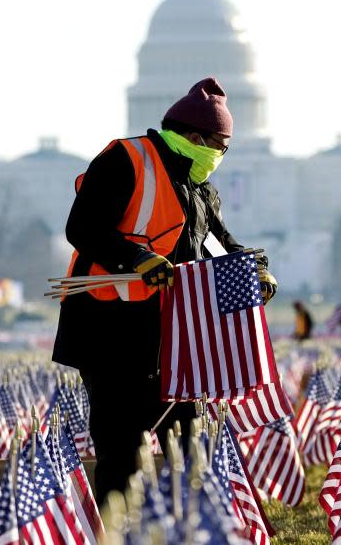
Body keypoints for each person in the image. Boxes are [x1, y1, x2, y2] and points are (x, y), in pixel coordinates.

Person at [51, 77, 278, 502]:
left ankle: (183, 527)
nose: (220, 157)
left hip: (172, 339)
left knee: (189, 443)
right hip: (110, 332)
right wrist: (136, 260)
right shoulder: (126, 159)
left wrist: (257, 271)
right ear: (195, 137)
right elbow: (81, 228)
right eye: (220, 146)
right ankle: (118, 528)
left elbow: (220, 246)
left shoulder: (200, 189)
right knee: (121, 452)